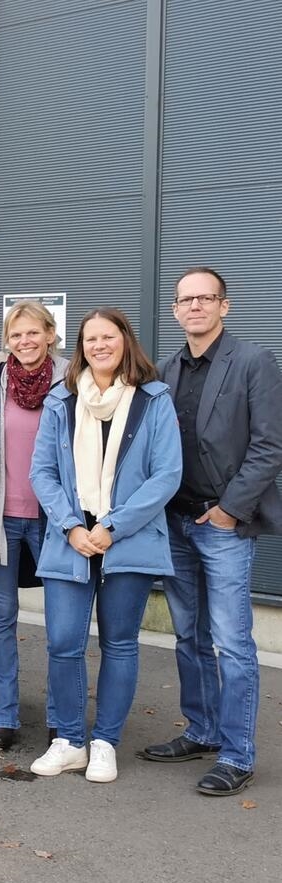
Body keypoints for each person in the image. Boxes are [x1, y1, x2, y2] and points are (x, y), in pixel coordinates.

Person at [140, 268, 282, 795]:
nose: (194, 306)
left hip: (222, 525)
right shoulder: (165, 369)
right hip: (175, 523)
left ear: (224, 306)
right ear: (175, 310)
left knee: (232, 643)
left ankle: (238, 753)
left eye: (205, 298)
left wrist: (229, 509)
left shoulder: (253, 362)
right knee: (188, 636)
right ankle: (201, 729)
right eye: (185, 300)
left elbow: (270, 446)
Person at [28, 308, 181, 783]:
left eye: (108, 337)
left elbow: (166, 475)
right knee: (63, 643)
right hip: (71, 538)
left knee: (119, 644)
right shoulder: (61, 400)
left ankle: (105, 742)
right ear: (81, 347)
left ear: (124, 341)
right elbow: (43, 472)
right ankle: (69, 740)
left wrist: (113, 526)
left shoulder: (153, 401)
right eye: (91, 338)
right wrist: (73, 525)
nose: (99, 345)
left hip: (127, 538)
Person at [0, 301, 69, 750]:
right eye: (16, 334)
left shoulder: (74, 381)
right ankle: (3, 717)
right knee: (0, 620)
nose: (25, 341)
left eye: (33, 333)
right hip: (1, 521)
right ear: (7, 340)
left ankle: (61, 718)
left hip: (58, 522)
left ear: (50, 334)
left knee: (62, 627)